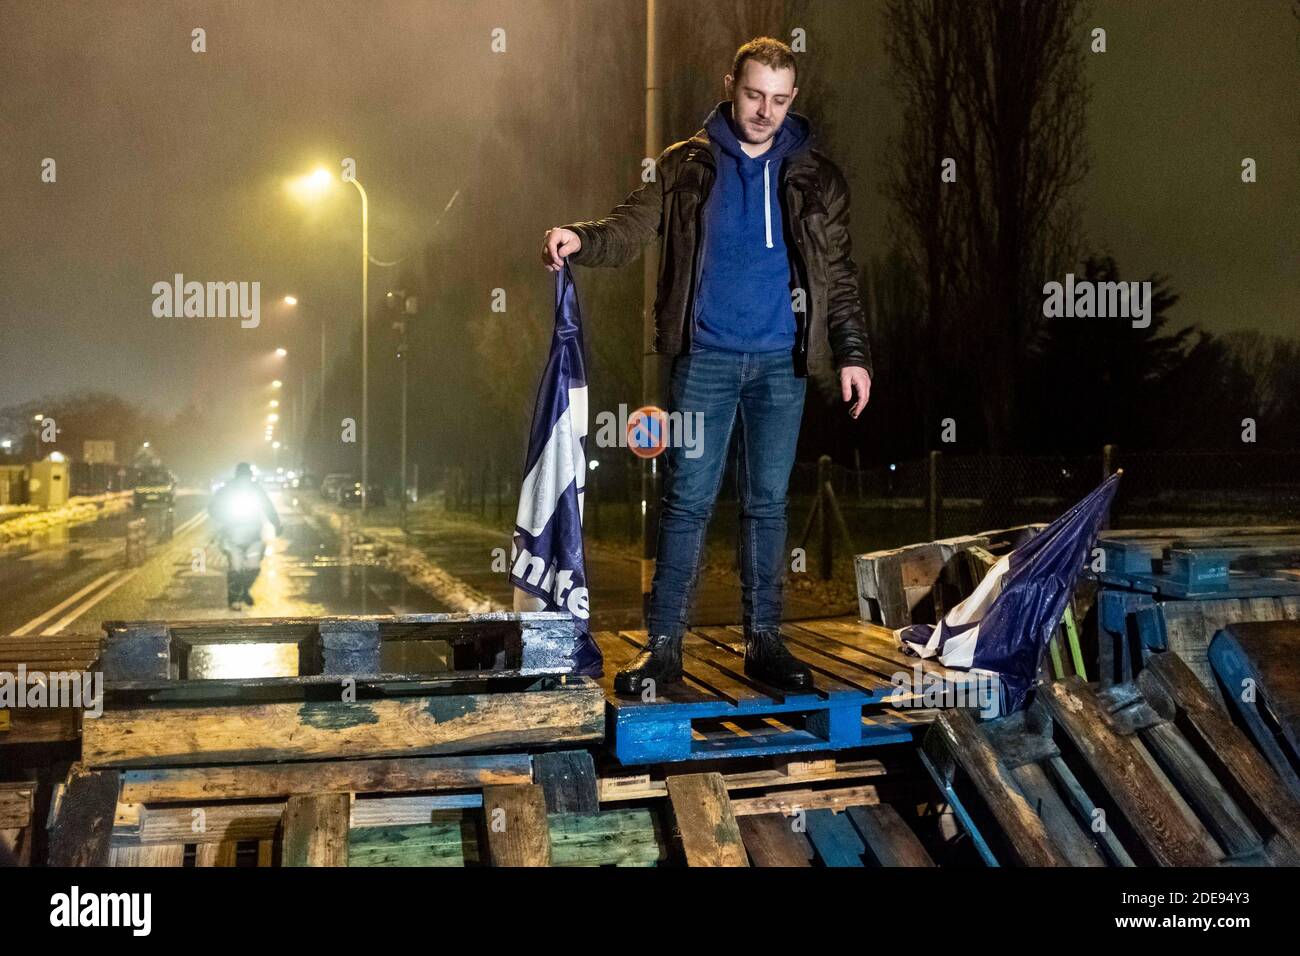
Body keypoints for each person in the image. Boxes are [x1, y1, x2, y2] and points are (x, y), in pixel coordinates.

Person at [541, 37, 872, 693]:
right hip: (706, 361)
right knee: (686, 503)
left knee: (768, 505)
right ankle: (663, 650)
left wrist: (853, 353)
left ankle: (765, 643)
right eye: (753, 95)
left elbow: (838, 274)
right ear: (731, 84)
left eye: (779, 100)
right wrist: (582, 237)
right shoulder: (686, 165)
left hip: (784, 366)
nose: (764, 111)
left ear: (792, 99)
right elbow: (633, 225)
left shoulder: (817, 177)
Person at [209, 462, 282, 611]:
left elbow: (268, 507)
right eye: (242, 477)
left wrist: (276, 524)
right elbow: (212, 507)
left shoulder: (256, 490)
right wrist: (224, 517)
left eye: (247, 477)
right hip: (232, 535)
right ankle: (234, 599)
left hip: (254, 535)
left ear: (250, 477)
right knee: (235, 569)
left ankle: (244, 591)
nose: (245, 480)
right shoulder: (228, 490)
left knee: (253, 568)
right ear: (238, 477)